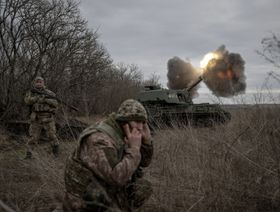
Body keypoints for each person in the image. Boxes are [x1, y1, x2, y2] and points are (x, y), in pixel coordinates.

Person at [63, 99, 153, 212]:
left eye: (143, 122)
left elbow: (144, 163)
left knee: (143, 187)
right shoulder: (100, 139)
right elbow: (116, 178)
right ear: (123, 121)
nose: (140, 127)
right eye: (136, 121)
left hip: (105, 187)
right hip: (84, 197)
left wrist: (147, 142)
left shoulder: (124, 133)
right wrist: (134, 149)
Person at [24, 76, 59, 158]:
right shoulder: (31, 92)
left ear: (43, 83)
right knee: (33, 137)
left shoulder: (49, 93)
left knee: (52, 136)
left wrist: (45, 100)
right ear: (34, 83)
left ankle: (56, 154)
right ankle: (29, 155)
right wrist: (36, 98)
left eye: (40, 82)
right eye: (37, 82)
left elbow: (56, 103)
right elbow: (27, 101)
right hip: (36, 118)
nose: (39, 83)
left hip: (48, 117)